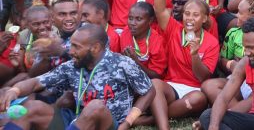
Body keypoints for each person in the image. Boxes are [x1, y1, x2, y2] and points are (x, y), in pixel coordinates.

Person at [0, 24, 155, 130]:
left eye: (76, 47)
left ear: (95, 48)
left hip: (105, 123)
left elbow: (149, 91)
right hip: (76, 119)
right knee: (31, 108)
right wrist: (15, 90)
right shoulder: (72, 66)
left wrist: (128, 121)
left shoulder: (122, 63)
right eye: (71, 45)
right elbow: (36, 83)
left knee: (95, 106)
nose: (70, 51)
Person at [150, 0, 220, 130]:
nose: (189, 18)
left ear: (204, 18)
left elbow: (203, 78)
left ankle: (150, 119)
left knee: (198, 99)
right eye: (187, 13)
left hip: (193, 91)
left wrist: (195, 55)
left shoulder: (211, 42)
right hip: (171, 87)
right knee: (155, 84)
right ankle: (164, 127)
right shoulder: (175, 28)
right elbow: (159, 9)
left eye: (195, 15)